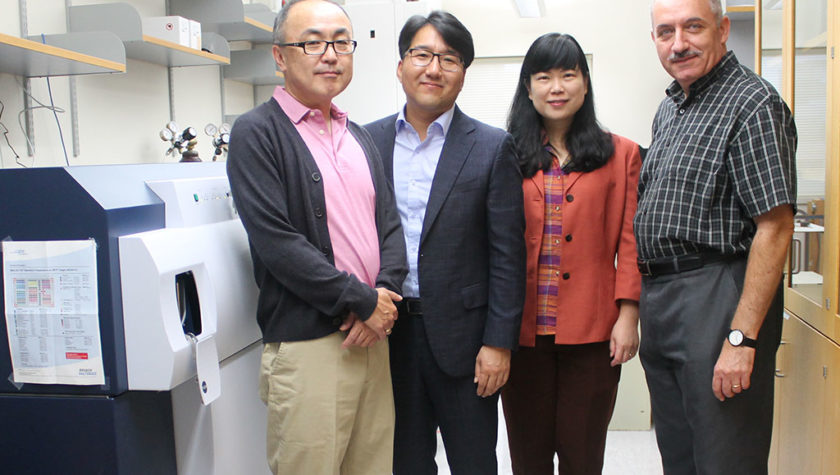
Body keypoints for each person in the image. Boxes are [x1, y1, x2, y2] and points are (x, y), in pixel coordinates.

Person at [226, 1, 407, 473]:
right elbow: (277, 243)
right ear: (280, 56)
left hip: (373, 337)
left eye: (341, 41)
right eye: (312, 41)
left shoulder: (358, 134)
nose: (330, 54)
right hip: (311, 347)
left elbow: (387, 225)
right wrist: (360, 301)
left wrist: (383, 296)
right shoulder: (256, 133)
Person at [636, 0, 797, 473]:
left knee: (726, 456)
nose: (679, 43)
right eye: (666, 32)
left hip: (716, 296)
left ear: (723, 29)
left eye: (693, 27)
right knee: (680, 457)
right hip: (662, 299)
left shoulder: (752, 103)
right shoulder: (671, 109)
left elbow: (776, 225)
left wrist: (741, 338)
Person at [365, 11, 526, 475]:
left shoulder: (492, 147)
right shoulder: (366, 141)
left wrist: (499, 343)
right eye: (422, 54)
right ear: (400, 66)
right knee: (404, 462)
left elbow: (507, 255)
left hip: (466, 340)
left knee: (474, 462)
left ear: (463, 74)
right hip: (388, 335)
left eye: (449, 58)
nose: (433, 68)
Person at [500, 33, 642, 475]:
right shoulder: (503, 154)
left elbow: (631, 241)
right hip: (521, 334)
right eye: (543, 76)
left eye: (568, 75)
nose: (556, 87)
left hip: (594, 332)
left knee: (583, 457)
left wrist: (628, 315)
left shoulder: (623, 154)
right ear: (528, 87)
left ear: (585, 84)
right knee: (529, 457)